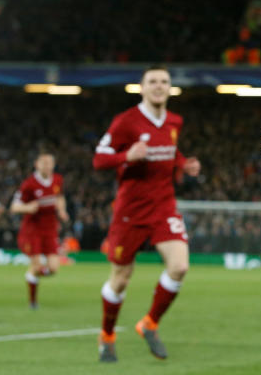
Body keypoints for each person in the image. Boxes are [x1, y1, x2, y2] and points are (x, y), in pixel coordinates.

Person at [92, 66, 201, 363]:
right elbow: (99, 160)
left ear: (169, 88)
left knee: (179, 266)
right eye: (152, 81)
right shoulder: (125, 122)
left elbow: (169, 151)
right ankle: (107, 335)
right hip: (130, 211)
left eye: (164, 82)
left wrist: (183, 164)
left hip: (164, 206)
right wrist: (125, 156)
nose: (158, 86)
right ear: (141, 88)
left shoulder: (175, 121)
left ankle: (149, 323)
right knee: (121, 278)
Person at [10, 146, 69, 309]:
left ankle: (32, 275)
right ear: (36, 164)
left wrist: (62, 210)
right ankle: (33, 301)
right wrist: (27, 208)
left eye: (50, 162)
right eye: (44, 163)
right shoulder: (29, 184)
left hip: (50, 230)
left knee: (54, 268)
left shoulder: (57, 180)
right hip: (32, 230)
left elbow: (60, 197)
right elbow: (14, 207)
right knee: (36, 265)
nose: (47, 165)